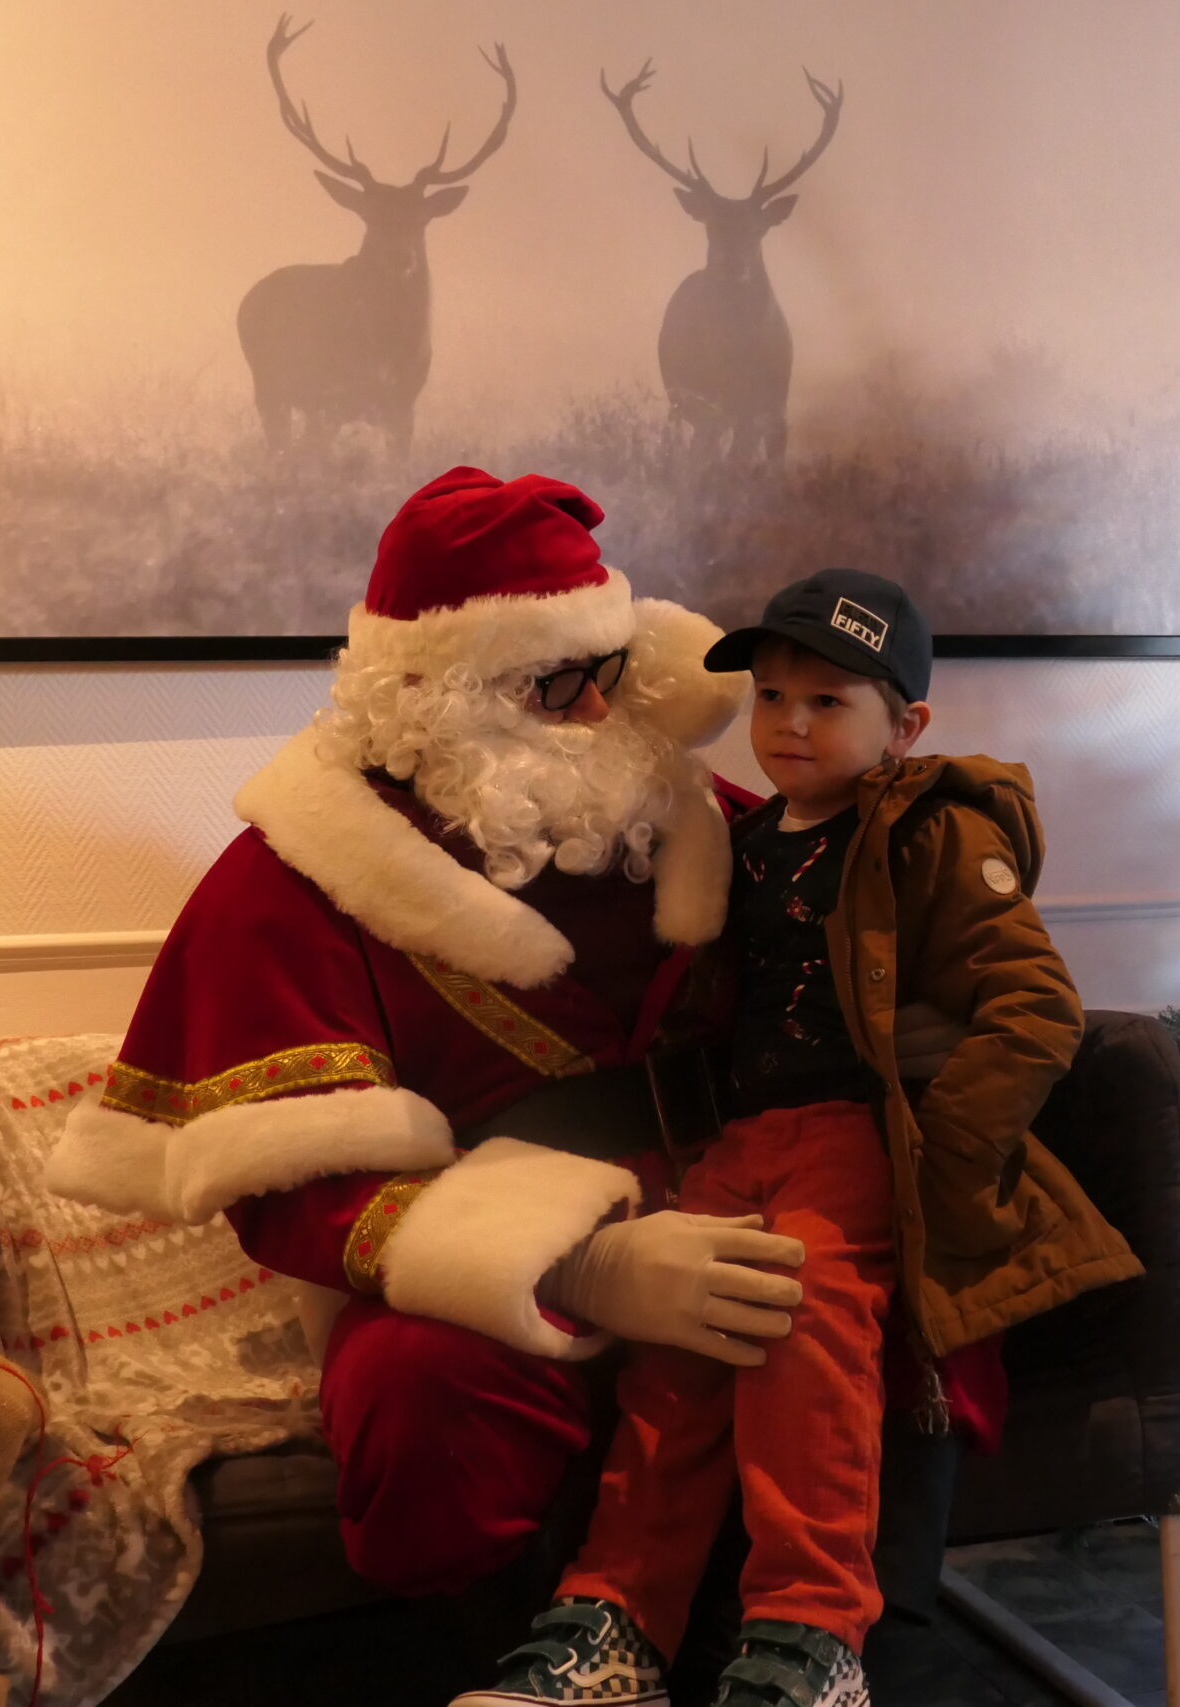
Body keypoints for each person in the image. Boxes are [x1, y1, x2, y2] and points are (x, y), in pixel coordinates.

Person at [46, 466, 805, 1599]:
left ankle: (808, 1637)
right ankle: (493, 1652)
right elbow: (296, 1186)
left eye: (608, 672)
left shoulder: (694, 820)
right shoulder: (294, 885)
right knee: (419, 1389)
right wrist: (583, 1267)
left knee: (848, 1302)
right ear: (433, 697)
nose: (601, 715)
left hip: (737, 1187)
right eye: (557, 685)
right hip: (475, 1248)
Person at [458, 570, 1141, 1707]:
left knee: (802, 1313)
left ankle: (809, 1636)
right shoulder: (739, 837)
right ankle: (613, 1623)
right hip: (740, 1139)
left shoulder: (929, 830)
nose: (790, 722)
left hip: (854, 1135)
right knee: (679, 1342)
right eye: (772, 697)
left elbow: (1036, 1009)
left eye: (828, 701)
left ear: (904, 725)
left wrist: (949, 1153)